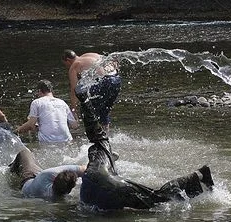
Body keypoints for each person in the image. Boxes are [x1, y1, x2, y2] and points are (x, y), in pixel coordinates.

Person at [76, 90, 214, 211]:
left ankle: (199, 178)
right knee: (100, 138)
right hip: (101, 181)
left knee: (157, 199)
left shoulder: (92, 190)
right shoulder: (95, 165)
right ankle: (85, 100)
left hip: (106, 196)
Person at [62, 49, 121, 131]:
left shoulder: (74, 66)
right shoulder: (90, 54)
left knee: (87, 109)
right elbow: (110, 60)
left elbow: (74, 89)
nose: (67, 67)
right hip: (116, 79)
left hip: (104, 81)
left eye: (65, 65)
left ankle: (96, 135)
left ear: (68, 60)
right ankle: (106, 134)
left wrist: (73, 108)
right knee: (104, 110)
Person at [9, 147, 86, 201]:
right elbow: (84, 169)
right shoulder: (62, 199)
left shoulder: (46, 175)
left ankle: (9, 169)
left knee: (25, 152)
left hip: (28, 182)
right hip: (36, 186)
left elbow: (82, 168)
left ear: (54, 178)